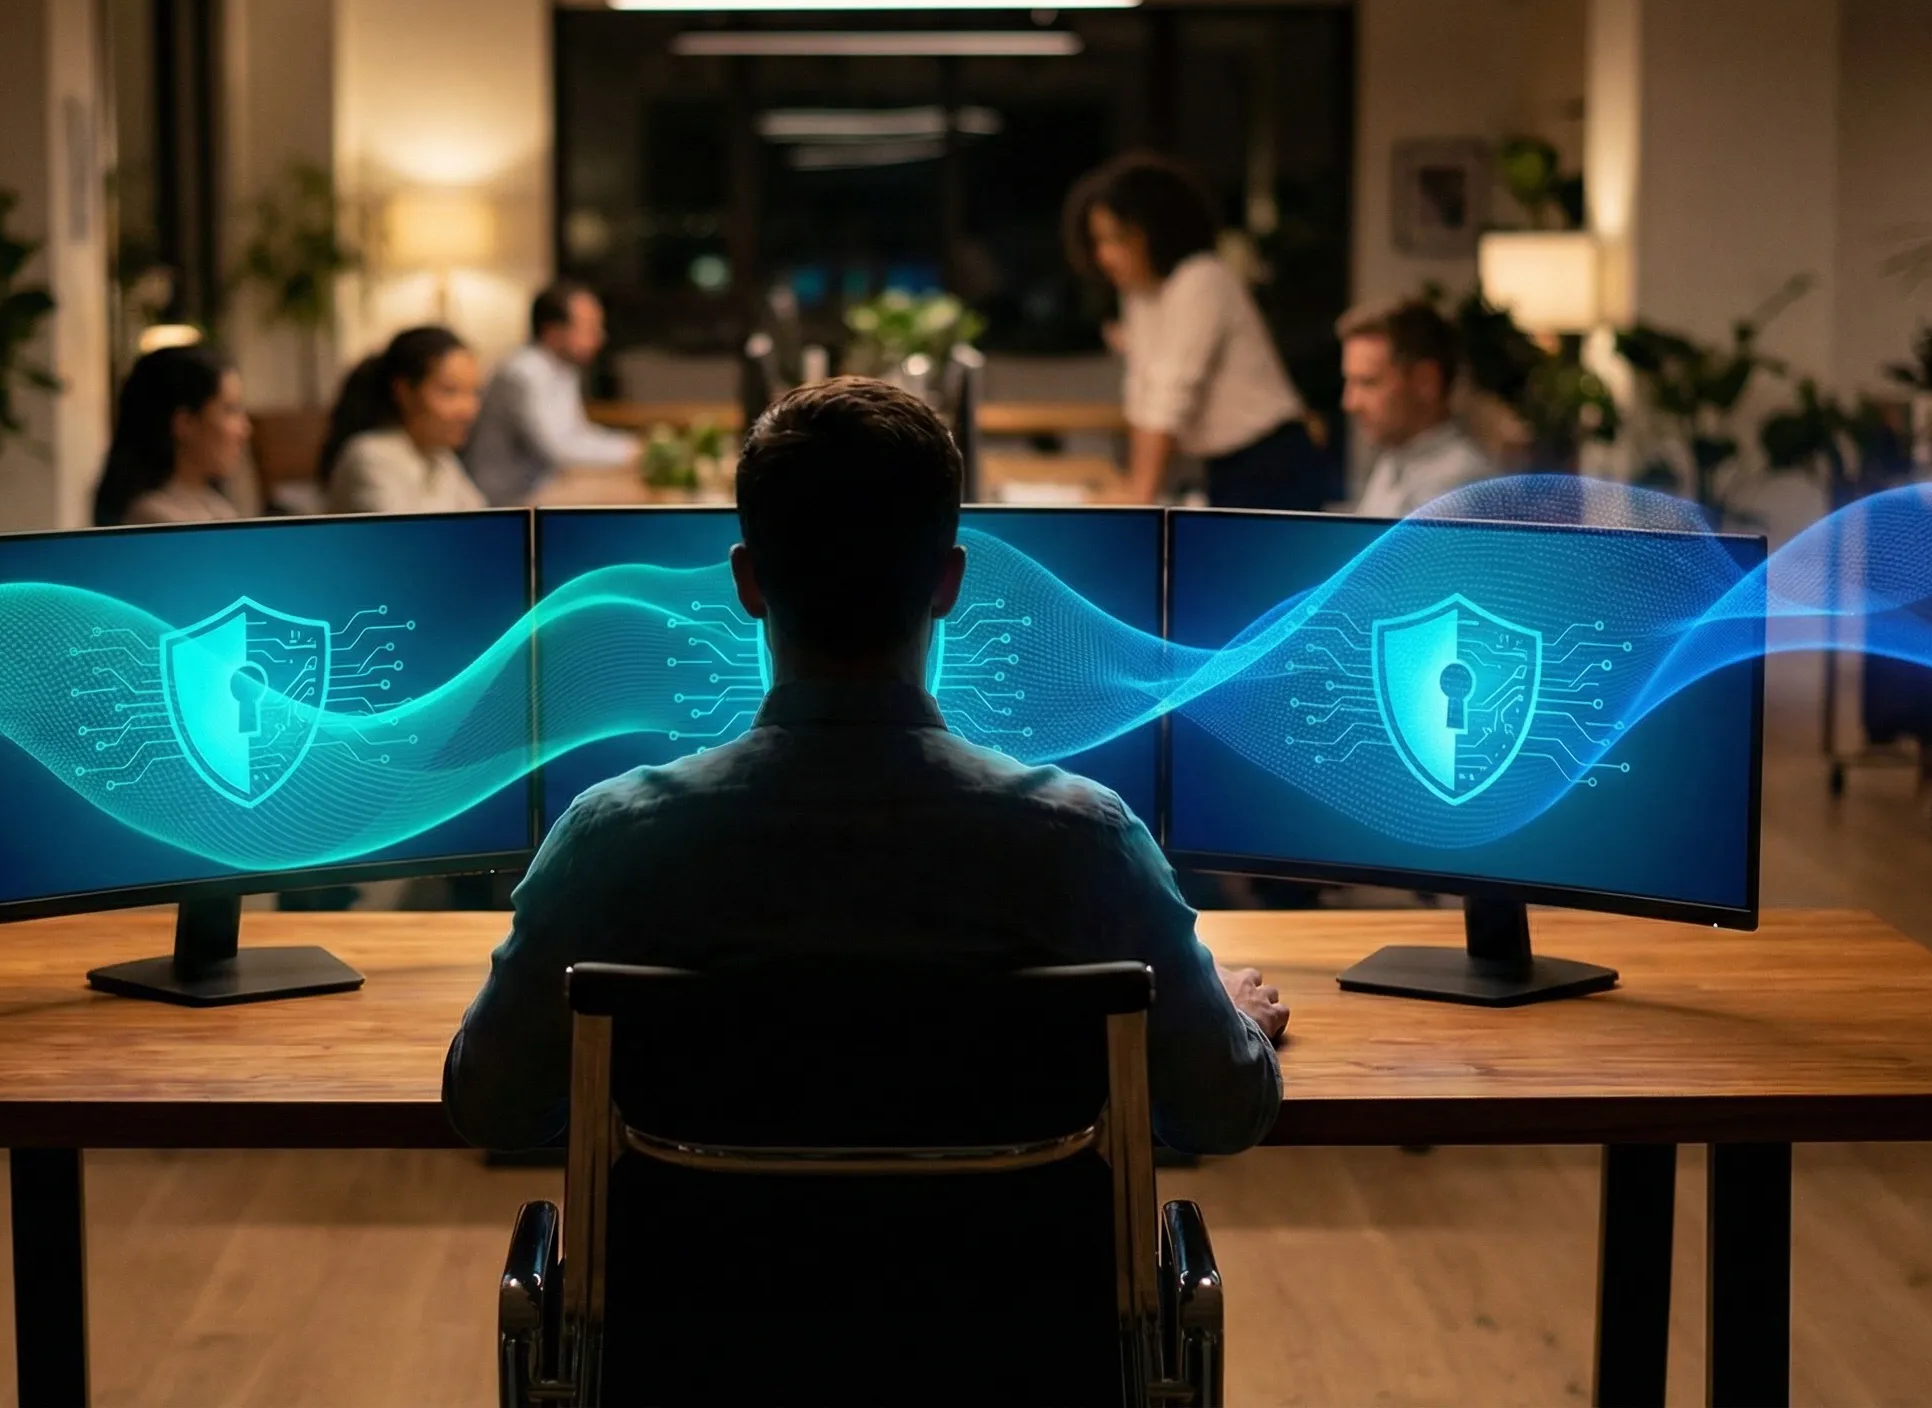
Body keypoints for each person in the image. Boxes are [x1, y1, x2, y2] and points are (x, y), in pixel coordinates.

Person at [444, 378, 1287, 1157]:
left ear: (747, 583)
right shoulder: (1086, 841)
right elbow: (1218, 1108)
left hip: (703, 1314)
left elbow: (489, 1102)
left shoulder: (610, 838)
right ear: (950, 582)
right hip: (1009, 1314)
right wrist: (1233, 1026)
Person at [1070, 152, 1322, 510]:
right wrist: (1133, 489)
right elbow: (1145, 394)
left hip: (1271, 460)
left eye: (1119, 239)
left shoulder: (1203, 277)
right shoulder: (1140, 292)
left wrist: (1140, 493)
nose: (1105, 256)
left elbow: (1173, 391)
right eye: (1099, 241)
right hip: (1226, 466)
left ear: (1155, 231)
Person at [462, 280, 636, 503]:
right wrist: (630, 452)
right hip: (507, 498)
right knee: (627, 500)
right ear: (552, 331)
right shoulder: (522, 373)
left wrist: (631, 447)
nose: (600, 337)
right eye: (589, 328)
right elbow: (558, 450)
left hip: (543, 484)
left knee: (631, 489)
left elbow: (578, 433)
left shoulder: (563, 367)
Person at [1340, 301, 1495, 519]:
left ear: (1425, 381)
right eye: (1350, 382)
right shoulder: (1394, 459)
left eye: (1368, 382)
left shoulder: (1459, 487)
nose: (1350, 403)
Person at [320, 325, 487, 514]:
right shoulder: (370, 457)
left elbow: (484, 524)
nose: (469, 410)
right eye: (449, 391)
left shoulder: (441, 458)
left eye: (474, 392)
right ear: (404, 392)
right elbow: (403, 539)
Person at [90, 345, 251, 526]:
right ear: (185, 423)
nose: (244, 429)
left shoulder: (218, 507)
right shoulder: (154, 520)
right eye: (230, 410)